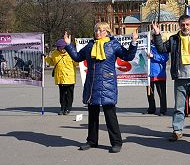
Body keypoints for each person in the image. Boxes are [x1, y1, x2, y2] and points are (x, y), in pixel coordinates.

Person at [64, 22, 138, 153]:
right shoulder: (90, 45)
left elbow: (128, 56)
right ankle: (92, 141)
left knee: (110, 115)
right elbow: (77, 57)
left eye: (101, 30)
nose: (98, 32)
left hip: (107, 84)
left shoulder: (113, 44)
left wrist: (133, 42)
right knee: (92, 115)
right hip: (92, 84)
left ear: (107, 32)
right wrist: (69, 45)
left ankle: (116, 142)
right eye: (96, 30)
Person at [45, 38, 78, 115]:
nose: (62, 49)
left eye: (63, 47)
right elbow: (52, 63)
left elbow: (77, 63)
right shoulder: (54, 54)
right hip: (60, 77)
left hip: (70, 78)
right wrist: (46, 58)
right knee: (62, 94)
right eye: (60, 47)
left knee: (69, 95)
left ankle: (68, 108)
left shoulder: (71, 53)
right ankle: (62, 108)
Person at [144, 39, 169, 116]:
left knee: (161, 94)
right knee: (150, 93)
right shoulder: (147, 46)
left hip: (159, 74)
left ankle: (163, 109)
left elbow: (164, 58)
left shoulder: (163, 46)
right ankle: (151, 108)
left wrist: (153, 56)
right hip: (148, 73)